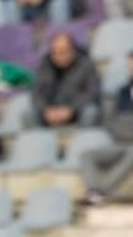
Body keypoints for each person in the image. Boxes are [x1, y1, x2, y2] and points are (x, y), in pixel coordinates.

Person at [81, 61, 133, 205]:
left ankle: (101, 191)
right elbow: (110, 121)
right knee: (87, 156)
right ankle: (94, 190)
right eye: (130, 64)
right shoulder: (122, 92)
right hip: (120, 141)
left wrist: (125, 124)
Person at [33, 33, 101, 129]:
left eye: (64, 51)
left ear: (73, 50)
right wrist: (46, 110)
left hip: (76, 111)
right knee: (28, 112)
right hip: (50, 113)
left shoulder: (86, 66)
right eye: (56, 52)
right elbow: (36, 93)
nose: (60, 55)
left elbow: (92, 93)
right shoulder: (44, 67)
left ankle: (85, 141)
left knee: (91, 111)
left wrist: (71, 109)